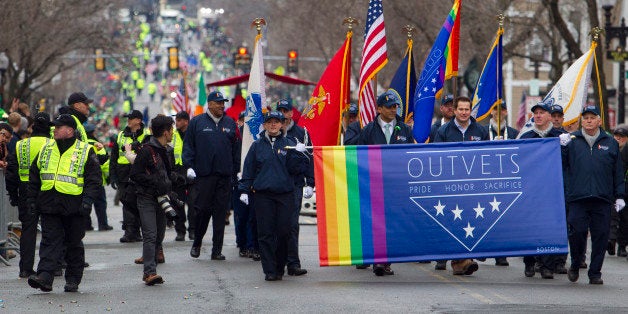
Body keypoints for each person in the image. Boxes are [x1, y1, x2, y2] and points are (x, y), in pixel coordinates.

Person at [26, 114, 101, 292]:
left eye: (58, 127)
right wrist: (31, 200)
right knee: (49, 241)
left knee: (73, 243)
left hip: (74, 206)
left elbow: (94, 180)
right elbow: (34, 175)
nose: (54, 129)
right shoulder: (47, 148)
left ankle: (73, 279)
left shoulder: (85, 150)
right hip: (49, 203)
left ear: (69, 130)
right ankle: (44, 276)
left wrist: (87, 202)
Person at [238, 110, 310, 281]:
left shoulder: (289, 144)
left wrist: (300, 154)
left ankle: (280, 265)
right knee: (265, 233)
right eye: (270, 122)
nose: (273, 125)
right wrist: (244, 190)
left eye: (277, 122)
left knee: (284, 232)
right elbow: (248, 169)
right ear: (264, 124)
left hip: (285, 194)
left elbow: (297, 169)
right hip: (263, 195)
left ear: (282, 124)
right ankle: (270, 270)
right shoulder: (257, 146)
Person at [560, 105, 625, 285]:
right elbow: (562, 166)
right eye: (585, 117)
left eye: (592, 117)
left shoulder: (610, 142)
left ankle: (595, 272)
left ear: (599, 120)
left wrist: (620, 195)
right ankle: (575, 262)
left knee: (601, 236)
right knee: (577, 232)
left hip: (602, 198)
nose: (588, 120)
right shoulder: (572, 140)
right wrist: (562, 148)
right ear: (582, 120)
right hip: (577, 197)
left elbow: (617, 171)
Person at [357, 90, 414, 276]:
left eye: (395, 106)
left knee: (392, 223)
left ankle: (387, 260)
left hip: (396, 186)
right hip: (374, 184)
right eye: (389, 107)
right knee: (376, 223)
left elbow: (409, 156)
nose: (393, 110)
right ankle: (378, 261)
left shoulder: (405, 130)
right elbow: (359, 157)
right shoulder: (368, 130)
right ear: (379, 108)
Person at [432, 96, 486, 275]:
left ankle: (462, 260)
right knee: (452, 220)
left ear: (471, 111)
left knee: (469, 220)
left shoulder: (480, 130)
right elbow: (436, 157)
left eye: (467, 109)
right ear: (454, 111)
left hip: (473, 186)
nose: (464, 112)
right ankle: (455, 258)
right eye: (460, 109)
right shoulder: (444, 131)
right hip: (450, 186)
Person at [184, 91, 239, 260]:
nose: (222, 105)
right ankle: (197, 242)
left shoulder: (230, 123)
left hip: (224, 176)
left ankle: (217, 250)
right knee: (202, 211)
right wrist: (189, 167)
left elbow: (236, 150)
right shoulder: (197, 123)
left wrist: (237, 171)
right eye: (218, 102)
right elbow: (188, 147)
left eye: (223, 102)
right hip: (204, 176)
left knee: (220, 214)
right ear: (210, 104)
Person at [519, 102, 567, 279]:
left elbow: (569, 164)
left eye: (542, 113)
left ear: (549, 116)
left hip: (552, 190)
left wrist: (565, 146)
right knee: (530, 227)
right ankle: (530, 262)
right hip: (532, 191)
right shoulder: (527, 137)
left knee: (548, 227)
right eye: (536, 113)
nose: (538, 116)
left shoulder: (561, 137)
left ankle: (547, 265)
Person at [130, 115, 177, 285]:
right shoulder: (146, 150)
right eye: (171, 129)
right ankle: (149, 272)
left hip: (162, 198)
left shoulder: (167, 150)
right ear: (165, 132)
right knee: (150, 235)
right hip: (147, 198)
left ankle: (152, 267)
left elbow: (167, 173)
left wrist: (177, 179)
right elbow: (135, 175)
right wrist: (154, 182)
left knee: (159, 235)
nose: (173, 132)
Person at [5, 112, 51, 278]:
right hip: (47, 190)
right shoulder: (52, 144)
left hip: (25, 191)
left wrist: (13, 195)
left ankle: (25, 268)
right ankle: (51, 266)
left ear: (33, 128)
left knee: (28, 231)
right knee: (50, 229)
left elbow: (11, 172)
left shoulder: (21, 145)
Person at [277, 99, 314, 276]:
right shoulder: (272, 132)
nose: (284, 114)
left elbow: (310, 157)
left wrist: (311, 182)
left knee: (292, 224)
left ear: (292, 113)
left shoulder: (302, 133)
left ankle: (293, 263)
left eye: (286, 111)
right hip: (275, 185)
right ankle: (277, 261)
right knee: (276, 224)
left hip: (295, 184)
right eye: (280, 111)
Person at [111, 110, 149, 243]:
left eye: (131, 118)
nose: (128, 120)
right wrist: (113, 176)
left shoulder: (147, 134)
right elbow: (114, 156)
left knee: (140, 203)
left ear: (138, 120)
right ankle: (129, 231)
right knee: (126, 203)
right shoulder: (121, 134)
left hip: (141, 174)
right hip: (123, 174)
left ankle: (138, 231)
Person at [84, 124, 113, 231]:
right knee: (100, 203)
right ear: (92, 133)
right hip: (97, 180)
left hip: (83, 181)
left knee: (86, 203)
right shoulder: (97, 145)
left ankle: (86, 225)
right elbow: (105, 165)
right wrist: (109, 176)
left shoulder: (81, 144)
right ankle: (103, 224)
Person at [171, 111, 191, 241]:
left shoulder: (193, 134)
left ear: (185, 121)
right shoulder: (172, 135)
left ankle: (193, 230)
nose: (176, 123)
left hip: (191, 172)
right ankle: (180, 231)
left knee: (194, 204)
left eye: (178, 120)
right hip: (177, 173)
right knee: (178, 204)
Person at [612, 124, 628, 258]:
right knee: (622, 217)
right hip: (623, 188)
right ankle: (619, 244)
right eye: (616, 136)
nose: (619, 139)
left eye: (622, 137)